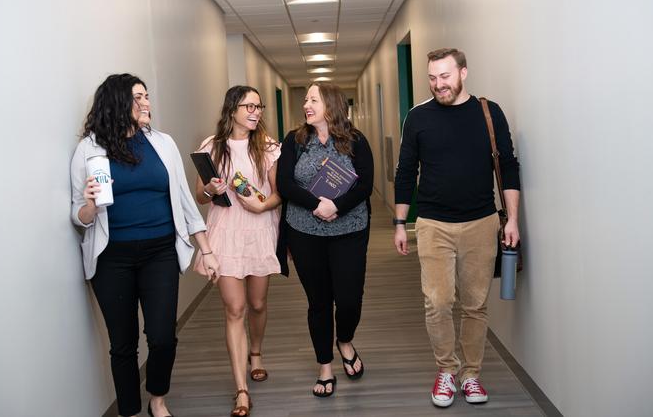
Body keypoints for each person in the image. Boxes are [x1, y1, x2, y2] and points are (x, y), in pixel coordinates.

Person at [70, 73, 219, 417]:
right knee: (123, 344)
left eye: (148, 96)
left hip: (160, 252)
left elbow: (184, 200)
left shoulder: (162, 143)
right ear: (119, 102)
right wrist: (91, 205)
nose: (148, 103)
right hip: (112, 259)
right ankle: (128, 410)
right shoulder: (90, 149)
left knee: (163, 336)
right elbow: (78, 214)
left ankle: (157, 399)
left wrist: (206, 250)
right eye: (140, 97)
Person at [393, 48, 521, 408]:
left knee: (475, 304)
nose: (438, 85)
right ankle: (447, 371)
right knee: (438, 301)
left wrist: (512, 219)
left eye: (445, 76)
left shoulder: (488, 112)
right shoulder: (417, 117)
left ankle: (471, 375)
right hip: (433, 223)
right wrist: (401, 222)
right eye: (432, 78)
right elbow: (405, 172)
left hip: (481, 223)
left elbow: (508, 167)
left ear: (463, 72)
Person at [276, 82, 374, 398]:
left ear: (330, 104)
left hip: (349, 230)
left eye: (313, 99)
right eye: (305, 99)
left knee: (348, 299)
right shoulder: (295, 141)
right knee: (318, 302)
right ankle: (325, 366)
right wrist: (316, 205)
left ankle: (344, 339)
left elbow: (365, 185)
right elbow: (284, 184)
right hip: (305, 232)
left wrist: (337, 206)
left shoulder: (356, 141)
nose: (306, 104)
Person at [194, 85, 282, 417]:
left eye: (259, 106)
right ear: (232, 110)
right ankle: (241, 389)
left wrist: (262, 208)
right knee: (236, 308)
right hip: (225, 233)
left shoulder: (270, 147)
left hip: (259, 231)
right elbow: (201, 197)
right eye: (249, 106)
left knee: (258, 303)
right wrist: (209, 188)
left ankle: (255, 352)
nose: (256, 112)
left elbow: (278, 194)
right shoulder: (211, 147)